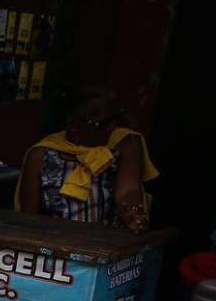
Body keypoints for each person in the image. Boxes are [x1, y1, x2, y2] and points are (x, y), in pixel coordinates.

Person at [17, 87, 158, 233]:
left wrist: (132, 211)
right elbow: (29, 215)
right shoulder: (41, 155)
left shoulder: (125, 143)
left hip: (106, 243)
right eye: (103, 123)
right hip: (56, 243)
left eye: (114, 120)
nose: (112, 128)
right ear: (73, 125)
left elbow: (128, 189)